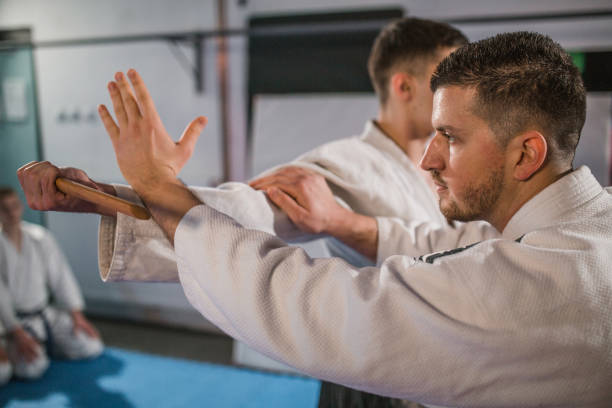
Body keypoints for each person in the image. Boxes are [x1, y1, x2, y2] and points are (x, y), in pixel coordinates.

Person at [18, 30, 612, 406]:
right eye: (437, 129)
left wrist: (157, 186)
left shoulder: (536, 282)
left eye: (450, 135)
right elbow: (259, 207)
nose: (432, 157)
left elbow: (426, 267)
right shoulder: (586, 222)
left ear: (526, 153)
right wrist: (132, 197)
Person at [0, 187, 103, 383]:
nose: (12, 213)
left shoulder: (40, 237)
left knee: (91, 345)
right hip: (14, 323)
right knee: (32, 369)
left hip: (45, 314)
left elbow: (61, 276)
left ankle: (48, 343)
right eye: (5, 209)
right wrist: (16, 332)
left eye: (14, 206)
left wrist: (77, 316)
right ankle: (17, 346)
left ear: (21, 207)